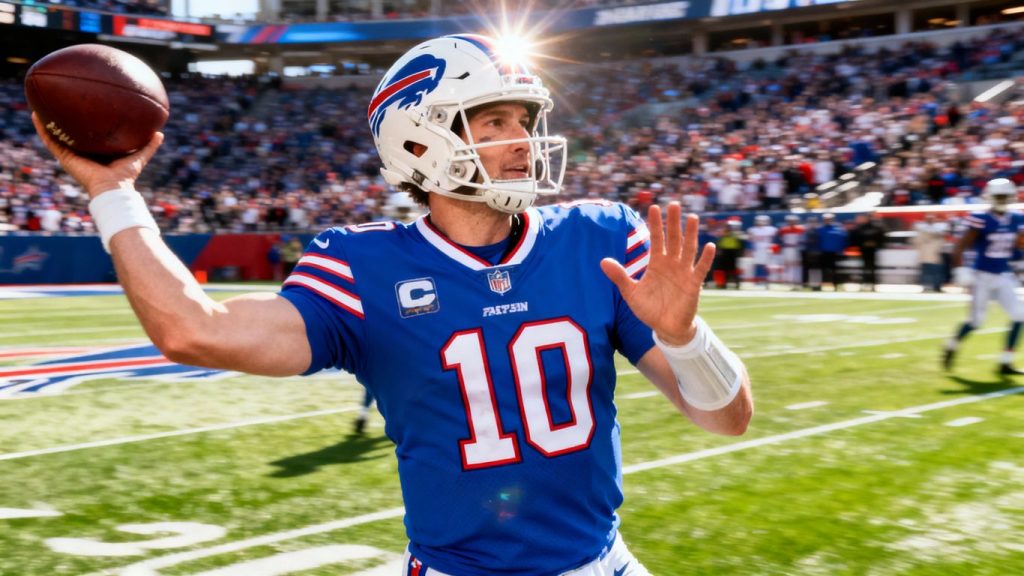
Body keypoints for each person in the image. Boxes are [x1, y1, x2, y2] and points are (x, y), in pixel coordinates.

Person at [31, 33, 753, 576]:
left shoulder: (597, 239)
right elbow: (193, 331)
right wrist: (112, 194)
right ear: (419, 139)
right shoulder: (364, 265)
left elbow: (728, 418)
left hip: (608, 562)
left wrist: (684, 337)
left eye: (522, 119)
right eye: (491, 121)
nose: (521, 142)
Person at [943, 178, 1024, 375]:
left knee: (1020, 315)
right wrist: (959, 269)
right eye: (999, 196)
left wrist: (1020, 258)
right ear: (990, 196)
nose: (1003, 199)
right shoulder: (980, 217)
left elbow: (1018, 246)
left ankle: (1005, 362)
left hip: (1003, 273)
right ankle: (952, 344)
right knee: (976, 322)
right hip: (981, 275)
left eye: (1005, 196)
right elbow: (961, 246)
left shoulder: (1016, 218)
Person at [850, 212, 887, 291]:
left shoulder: (877, 227)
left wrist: (875, 244)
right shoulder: (861, 227)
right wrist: (863, 244)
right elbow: (855, 239)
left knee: (872, 268)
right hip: (864, 251)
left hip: (873, 250)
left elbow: (882, 238)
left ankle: (873, 285)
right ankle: (864, 284)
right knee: (864, 268)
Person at [912, 213, 946, 293]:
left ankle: (936, 287)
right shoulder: (922, 230)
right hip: (925, 256)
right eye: (928, 219)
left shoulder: (938, 229)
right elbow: (916, 242)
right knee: (926, 273)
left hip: (935, 255)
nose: (930, 220)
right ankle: (926, 287)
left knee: (937, 272)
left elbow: (940, 239)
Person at [817, 213, 848, 291]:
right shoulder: (820, 229)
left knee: (836, 270)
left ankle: (836, 285)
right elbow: (817, 241)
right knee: (823, 270)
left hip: (835, 253)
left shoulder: (839, 229)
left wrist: (841, 250)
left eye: (829, 219)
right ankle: (822, 285)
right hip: (823, 252)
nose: (827, 221)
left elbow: (844, 241)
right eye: (826, 219)